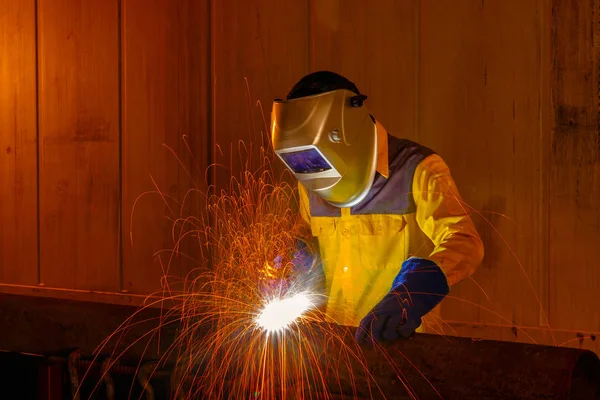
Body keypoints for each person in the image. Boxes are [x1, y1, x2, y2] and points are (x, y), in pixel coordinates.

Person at [269, 71, 484, 344]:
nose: (311, 170)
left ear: (346, 131)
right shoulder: (310, 180)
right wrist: (294, 257)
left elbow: (465, 242)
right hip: (338, 347)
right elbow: (309, 239)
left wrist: (416, 288)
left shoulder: (417, 169)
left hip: (404, 348)